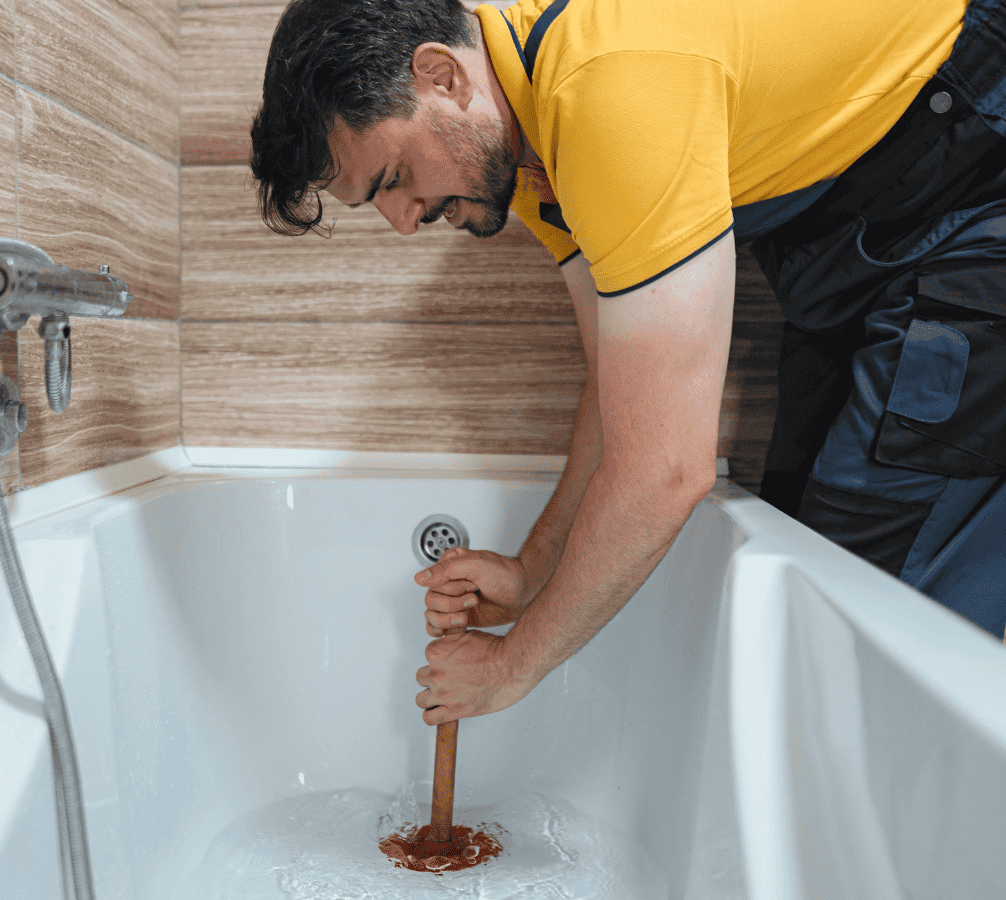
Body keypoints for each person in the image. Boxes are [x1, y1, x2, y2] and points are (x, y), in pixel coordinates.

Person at [249, 0, 1006, 724]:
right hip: (860, 241)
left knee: (865, 618)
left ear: (443, 76)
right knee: (805, 558)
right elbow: (622, 394)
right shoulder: (538, 160)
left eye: (394, 180)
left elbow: (666, 470)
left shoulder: (606, 88)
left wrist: (514, 664)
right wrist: (529, 571)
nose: (404, 222)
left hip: (968, 183)